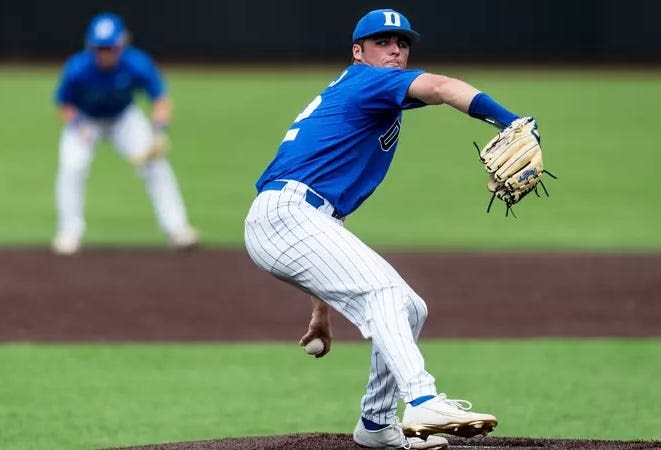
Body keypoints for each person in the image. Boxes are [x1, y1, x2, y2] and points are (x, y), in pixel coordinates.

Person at [244, 8, 527, 449]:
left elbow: (329, 222)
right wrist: (509, 120)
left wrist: (321, 309)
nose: (395, 50)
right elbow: (442, 87)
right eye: (382, 42)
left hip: (300, 217)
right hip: (287, 213)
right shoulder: (368, 81)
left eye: (401, 43)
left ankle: (376, 424)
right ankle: (422, 399)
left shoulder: (362, 89)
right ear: (358, 53)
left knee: (411, 308)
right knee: (386, 296)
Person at [52, 12, 198, 254]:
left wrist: (158, 131)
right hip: (86, 119)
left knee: (155, 165)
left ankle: (177, 230)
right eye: (100, 48)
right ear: (91, 46)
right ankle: (69, 232)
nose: (105, 53)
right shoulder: (78, 68)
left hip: (123, 118)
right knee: (72, 167)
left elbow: (160, 99)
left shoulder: (137, 63)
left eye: (110, 47)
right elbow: (64, 105)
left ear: (122, 44)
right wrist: (79, 125)